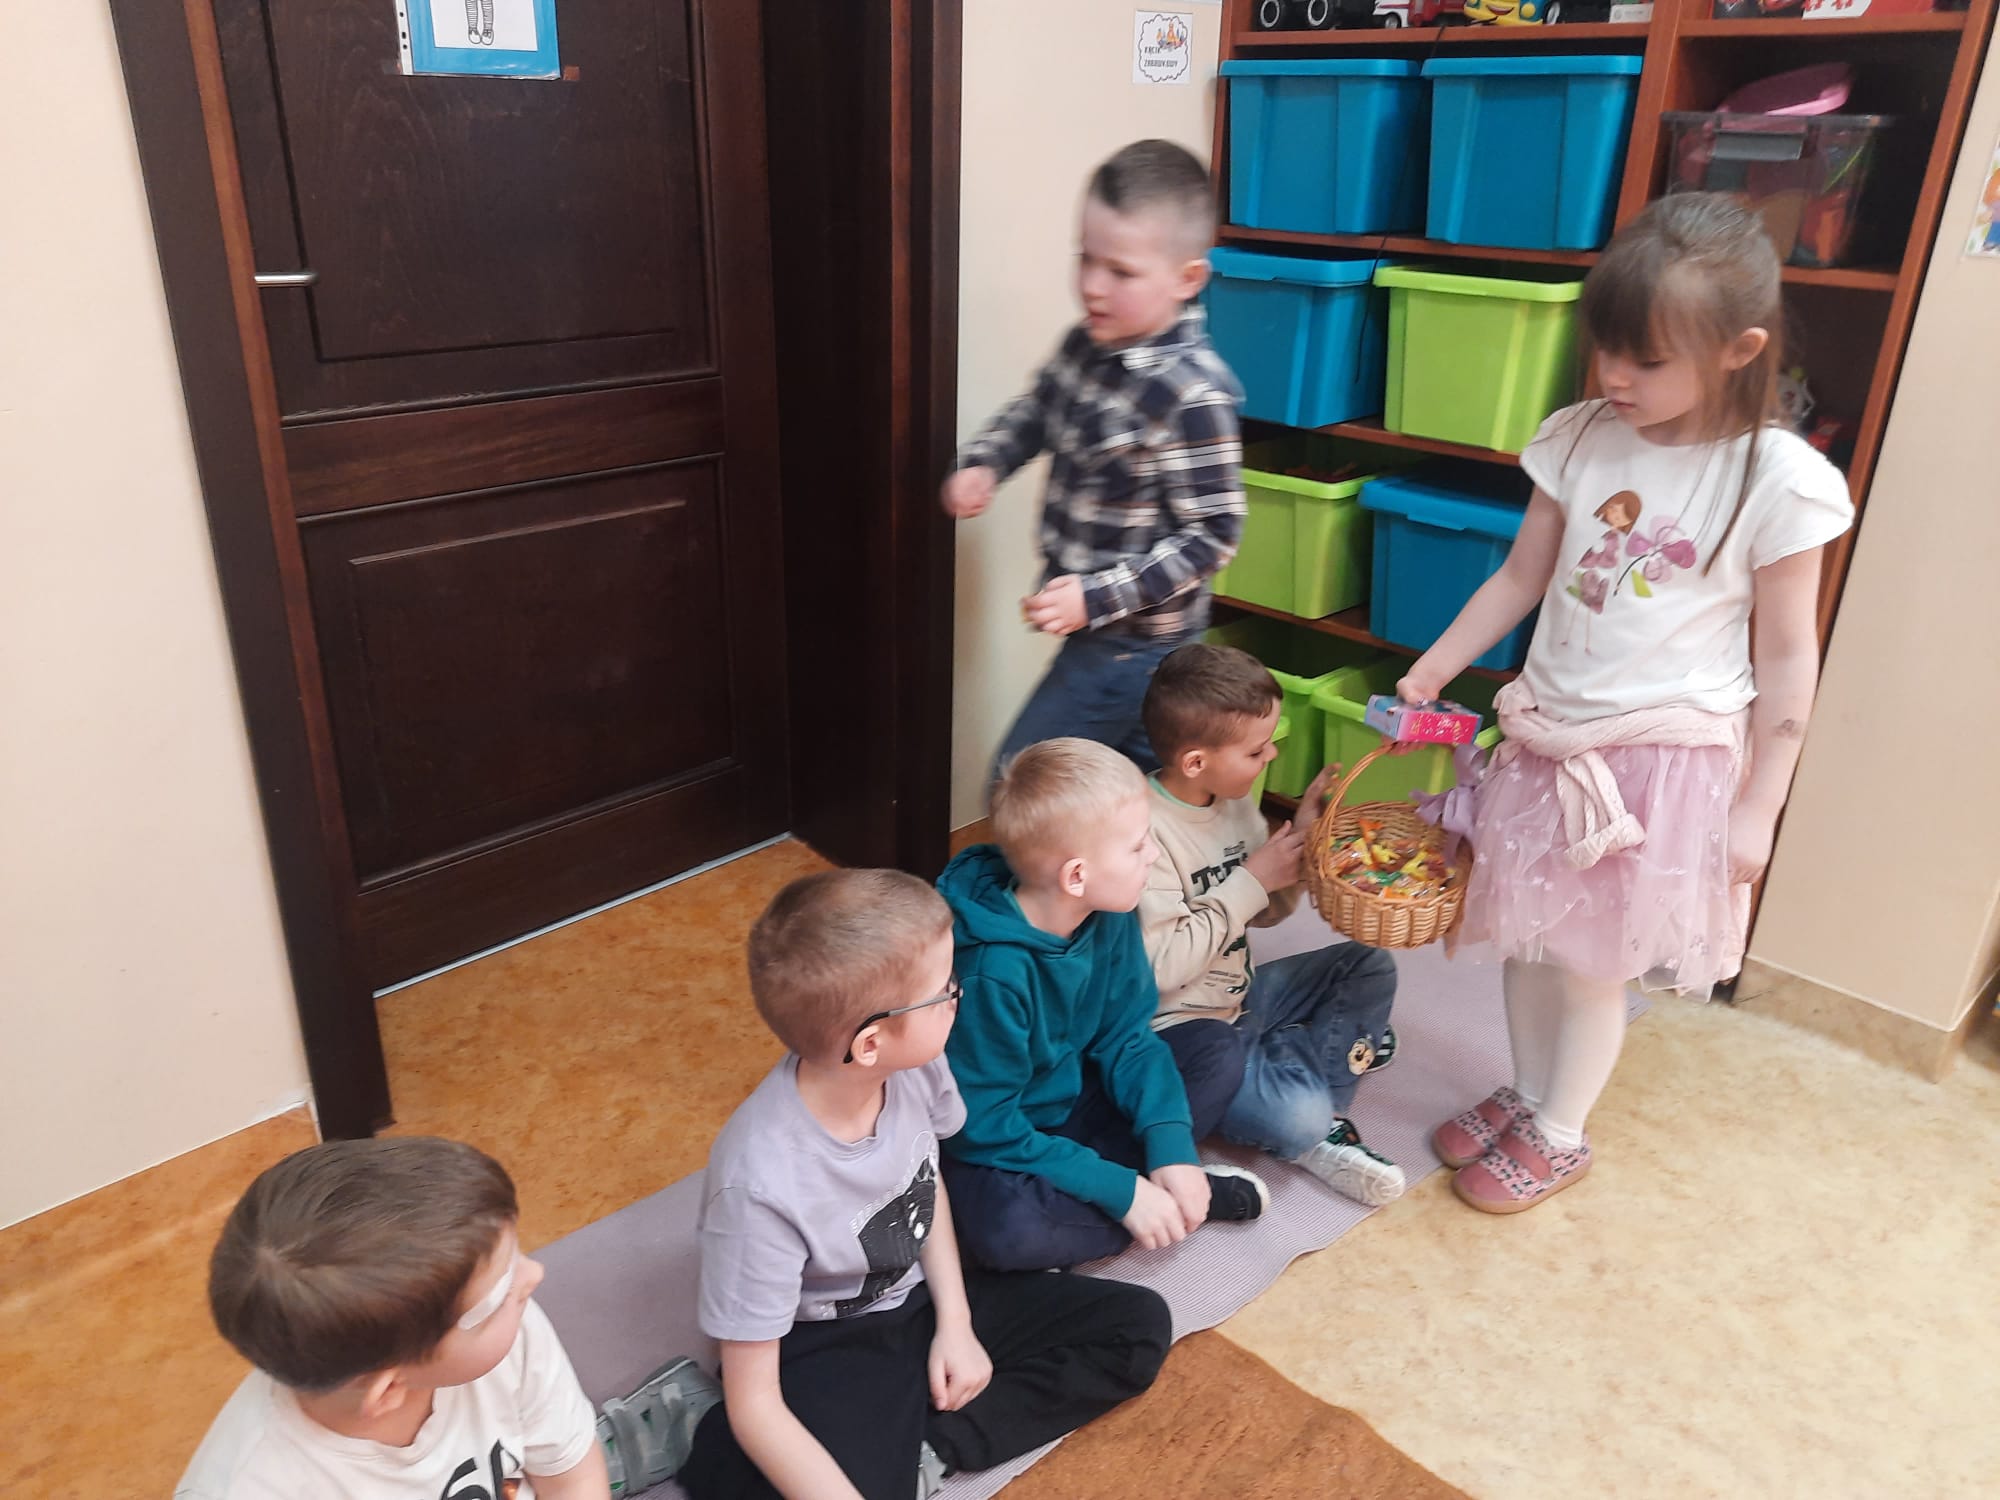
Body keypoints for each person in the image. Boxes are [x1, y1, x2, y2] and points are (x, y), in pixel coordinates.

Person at [1400, 193, 1853, 1214]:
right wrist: (1436, 666)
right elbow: (1520, 575)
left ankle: (1560, 1131)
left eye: (1646, 359)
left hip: (1657, 762)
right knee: (1523, 934)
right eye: (1606, 348)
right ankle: (1526, 1091)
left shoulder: (1777, 479)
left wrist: (1760, 807)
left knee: (1590, 963)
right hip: (1547, 738)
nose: (1614, 377)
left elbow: (1789, 658)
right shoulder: (1579, 438)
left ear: (1738, 350)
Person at [676, 869, 1172, 1500]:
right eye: (943, 991)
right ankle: (695, 1432)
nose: (960, 995)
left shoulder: (917, 1065)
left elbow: (923, 1184)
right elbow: (756, 1403)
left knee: (1138, 1327)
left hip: (922, 1295)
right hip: (830, 1337)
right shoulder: (757, 1189)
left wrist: (956, 1323)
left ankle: (934, 1446)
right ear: (871, 1042)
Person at [176, 1135, 708, 1499]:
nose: (533, 1276)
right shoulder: (249, 1484)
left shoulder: (511, 1327)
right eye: (499, 1291)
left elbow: (572, 1477)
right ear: (388, 1390)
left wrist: (570, 1467)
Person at [943, 139, 1244, 777]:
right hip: (1099, 633)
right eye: (1086, 258)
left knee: (1022, 780)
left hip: (1137, 646)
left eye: (1121, 272)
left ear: (1188, 279)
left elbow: (1214, 535)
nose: (1091, 286)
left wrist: (1096, 597)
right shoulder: (1086, 345)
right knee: (1139, 789)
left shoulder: (1193, 394)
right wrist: (986, 463)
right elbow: (1037, 411)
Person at [937, 737, 1269, 1272]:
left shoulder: (1109, 907)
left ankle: (1152, 1192)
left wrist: (1172, 1146)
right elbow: (982, 1127)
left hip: (1075, 1096)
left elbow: (1128, 1037)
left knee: (1216, 1048)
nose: (1153, 855)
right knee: (1006, 1235)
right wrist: (1120, 1189)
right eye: (1138, 847)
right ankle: (1156, 1200)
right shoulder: (990, 972)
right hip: (1005, 1138)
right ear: (1077, 876)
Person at [1137, 642, 1406, 1207]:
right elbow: (1161, 969)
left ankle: (1302, 1065)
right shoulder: (1142, 831)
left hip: (1239, 995)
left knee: (1369, 963)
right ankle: (1321, 1113)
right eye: (1258, 751)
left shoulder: (1231, 797)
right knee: (1298, 1117)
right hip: (1181, 1036)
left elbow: (1264, 911)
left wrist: (1297, 850)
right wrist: (1251, 879)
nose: (1273, 756)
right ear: (1196, 762)